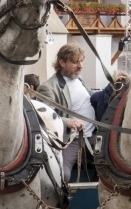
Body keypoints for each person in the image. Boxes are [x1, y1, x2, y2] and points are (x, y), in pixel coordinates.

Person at [37, 43, 96, 182]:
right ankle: (63, 203)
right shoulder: (48, 88)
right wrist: (67, 122)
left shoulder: (79, 80)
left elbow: (91, 97)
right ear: (62, 62)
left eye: (81, 61)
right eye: (75, 62)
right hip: (71, 141)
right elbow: (44, 115)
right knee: (62, 175)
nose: (80, 66)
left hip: (93, 137)